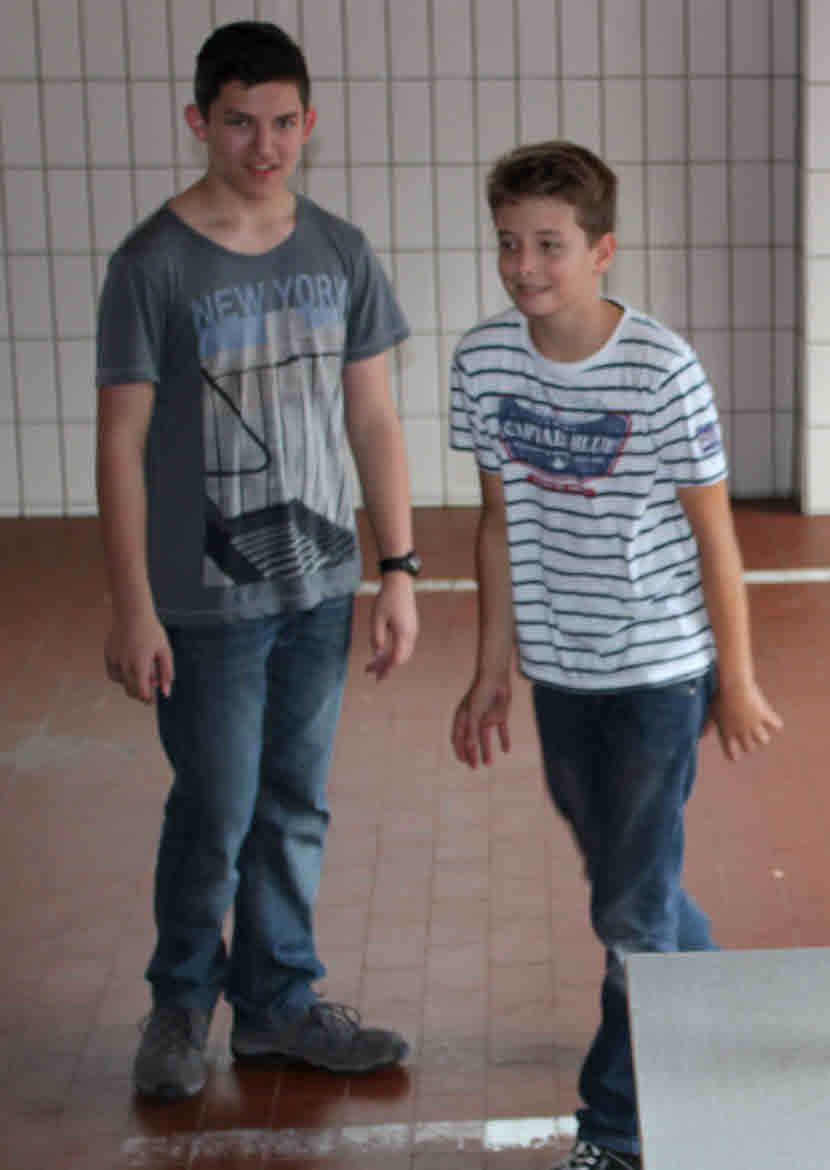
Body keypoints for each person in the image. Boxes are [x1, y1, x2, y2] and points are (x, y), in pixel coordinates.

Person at [96, 20, 421, 1101]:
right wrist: (133, 606)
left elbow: (373, 419)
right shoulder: (151, 264)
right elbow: (119, 443)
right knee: (215, 807)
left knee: (293, 804)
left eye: (283, 123)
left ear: (309, 123)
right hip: (204, 604)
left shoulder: (340, 250)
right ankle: (181, 1006)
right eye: (239, 122)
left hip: (320, 588)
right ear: (199, 122)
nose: (263, 145)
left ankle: (278, 1004)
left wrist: (398, 568)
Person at [447, 139, 783, 1170]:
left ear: (602, 250)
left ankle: (618, 1128)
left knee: (629, 911)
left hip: (656, 674)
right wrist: (492, 667)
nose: (524, 266)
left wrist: (735, 679)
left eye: (549, 244)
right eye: (509, 243)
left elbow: (716, 538)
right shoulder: (484, 362)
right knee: (624, 880)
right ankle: (715, 992)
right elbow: (497, 525)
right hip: (562, 670)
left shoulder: (660, 369)